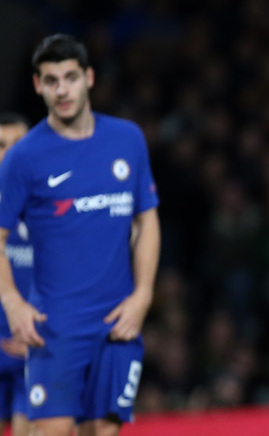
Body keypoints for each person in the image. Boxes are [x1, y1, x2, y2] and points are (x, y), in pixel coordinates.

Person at [0, 34, 160, 436]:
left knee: (102, 432)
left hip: (116, 320)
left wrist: (143, 295)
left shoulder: (127, 140)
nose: (62, 89)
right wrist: (13, 303)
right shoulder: (24, 157)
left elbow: (147, 222)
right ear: (38, 85)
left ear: (88, 78)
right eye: (51, 80)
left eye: (70, 77)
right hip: (56, 325)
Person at [0, 113, 32, 436]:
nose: (8, 153)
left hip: (35, 347)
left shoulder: (51, 208)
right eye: (0, 145)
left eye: (18, 144)